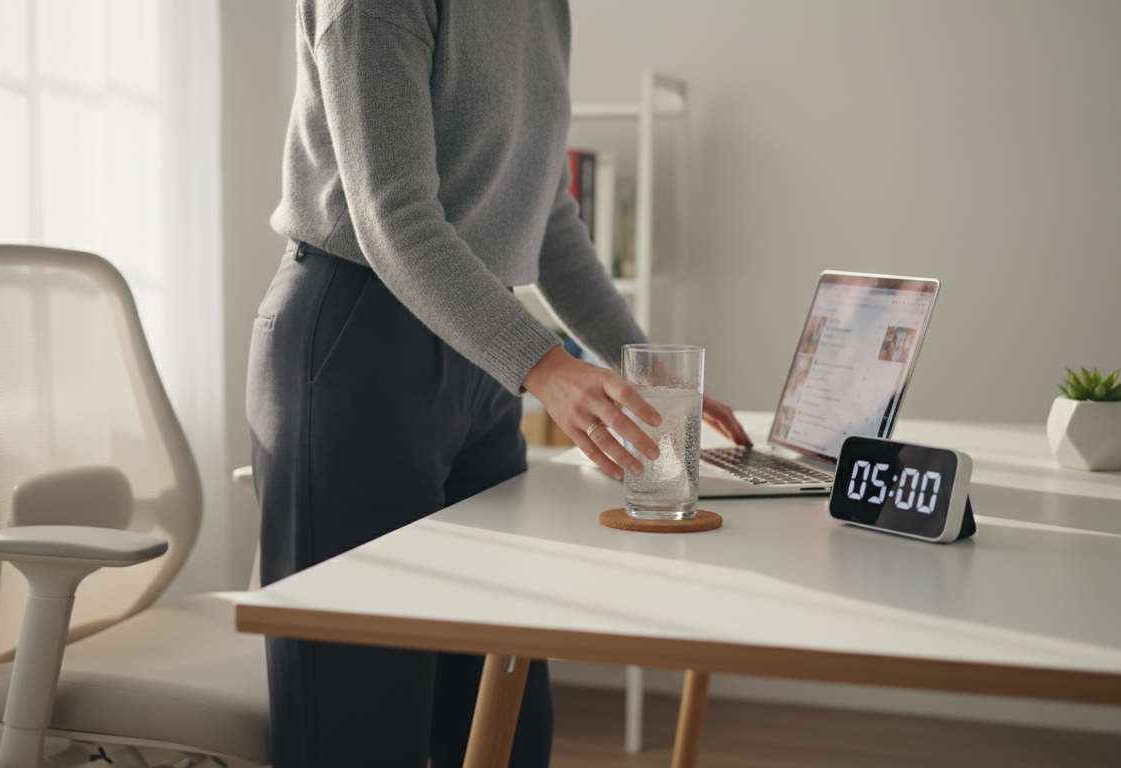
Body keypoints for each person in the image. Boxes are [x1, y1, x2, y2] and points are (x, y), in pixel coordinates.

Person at [246, 1, 751, 765]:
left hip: (481, 355)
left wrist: (640, 366)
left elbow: (545, 218)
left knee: (502, 722)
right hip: (357, 348)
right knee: (358, 729)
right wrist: (546, 366)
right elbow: (393, 215)